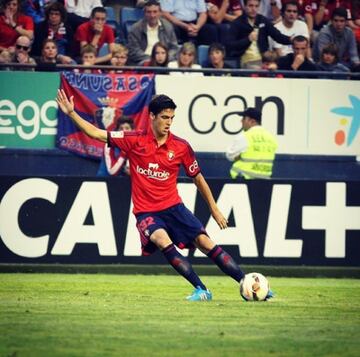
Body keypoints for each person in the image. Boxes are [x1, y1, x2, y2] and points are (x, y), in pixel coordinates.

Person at [56, 90, 260, 301]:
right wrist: (72, 114)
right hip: (146, 212)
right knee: (162, 240)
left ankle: (249, 284)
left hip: (174, 208)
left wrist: (214, 209)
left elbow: (198, 178)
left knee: (206, 243)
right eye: (164, 117)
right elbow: (96, 133)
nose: (169, 122)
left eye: (172, 118)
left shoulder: (181, 147)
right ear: (151, 116)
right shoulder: (134, 140)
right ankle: (202, 290)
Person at [226, 0, 291, 69]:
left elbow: (278, 36)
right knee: (260, 69)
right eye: (251, 6)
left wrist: (291, 40)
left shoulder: (262, 20)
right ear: (244, 7)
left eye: (256, 6)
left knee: (277, 68)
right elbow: (230, 45)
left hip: (264, 59)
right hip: (248, 61)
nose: (254, 9)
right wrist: (248, 39)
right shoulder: (237, 23)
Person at [226, 107, 278, 179]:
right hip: (265, 181)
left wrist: (240, 156)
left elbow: (230, 155)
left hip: (243, 181)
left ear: (252, 121)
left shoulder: (246, 136)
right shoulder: (270, 138)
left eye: (244, 118)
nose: (241, 121)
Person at [127, 0, 178, 65]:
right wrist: (153, 59)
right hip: (145, 61)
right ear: (144, 13)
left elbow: (174, 48)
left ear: (160, 13)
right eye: (149, 12)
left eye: (155, 12)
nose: (152, 15)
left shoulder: (168, 26)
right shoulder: (135, 28)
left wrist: (165, 57)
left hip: (165, 61)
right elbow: (133, 51)